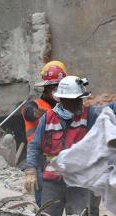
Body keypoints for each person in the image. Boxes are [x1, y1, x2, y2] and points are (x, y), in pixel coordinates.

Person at [25, 76, 116, 216]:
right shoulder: (47, 118)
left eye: (80, 99)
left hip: (79, 180)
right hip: (52, 181)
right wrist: (31, 170)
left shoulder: (89, 114)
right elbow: (35, 145)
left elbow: (111, 109)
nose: (79, 103)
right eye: (75, 100)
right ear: (62, 100)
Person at [22, 60, 66, 206]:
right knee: (45, 202)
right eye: (53, 87)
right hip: (40, 160)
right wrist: (36, 113)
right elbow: (28, 112)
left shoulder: (66, 106)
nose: (55, 90)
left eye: (58, 86)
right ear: (46, 88)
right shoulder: (36, 105)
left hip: (63, 160)